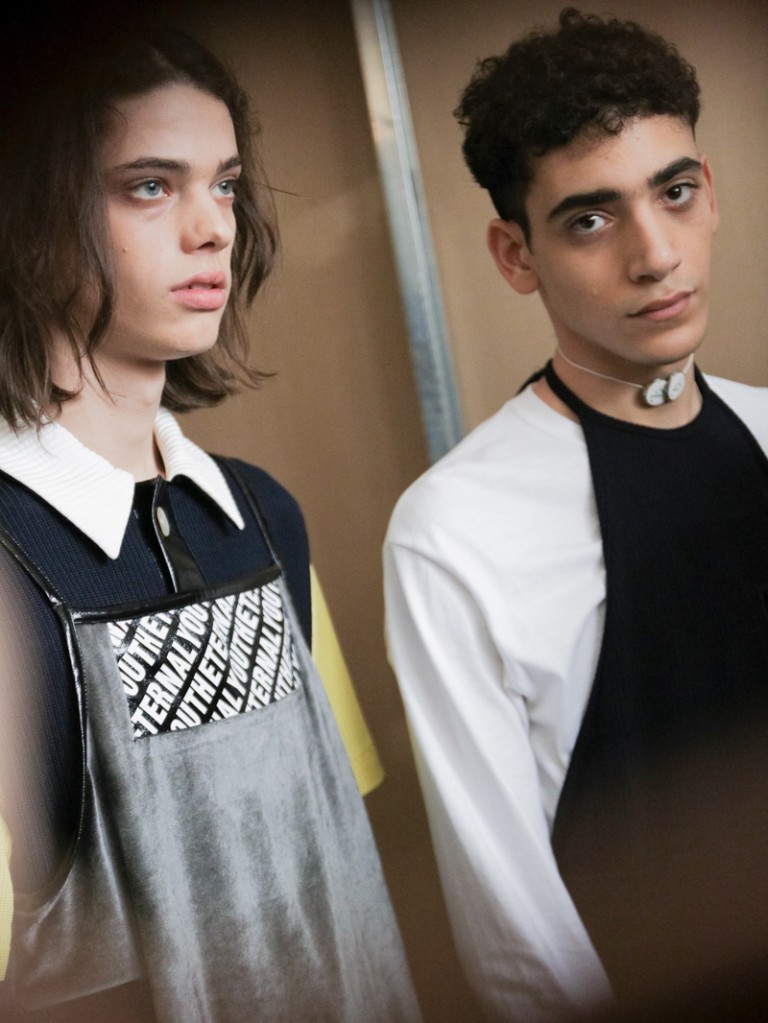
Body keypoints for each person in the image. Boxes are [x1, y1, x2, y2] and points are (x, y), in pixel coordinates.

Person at [0, 14, 420, 1023]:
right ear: (30, 212)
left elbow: (340, 844)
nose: (214, 228)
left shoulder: (264, 517)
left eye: (224, 184)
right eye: (151, 185)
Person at [384, 8, 768, 1022]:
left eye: (673, 193)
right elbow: (509, 922)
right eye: (591, 219)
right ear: (516, 255)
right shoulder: (453, 529)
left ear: (709, 193)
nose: (655, 254)